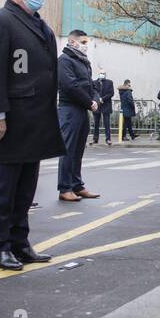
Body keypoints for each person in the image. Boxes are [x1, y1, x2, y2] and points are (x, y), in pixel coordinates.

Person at [0, 0, 66, 269]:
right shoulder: (0, 22)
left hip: (36, 121)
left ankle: (20, 242)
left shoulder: (39, 25)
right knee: (3, 189)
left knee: (25, 190)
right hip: (11, 121)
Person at [56, 29, 101, 201]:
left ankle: (77, 185)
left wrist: (95, 99)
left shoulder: (83, 62)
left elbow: (91, 85)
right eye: (83, 42)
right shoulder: (64, 60)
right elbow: (70, 86)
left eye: (86, 43)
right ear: (72, 42)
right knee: (68, 149)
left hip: (82, 109)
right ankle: (65, 188)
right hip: (69, 109)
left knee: (78, 150)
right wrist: (89, 102)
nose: (86, 46)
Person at [92, 72, 114, 145]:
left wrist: (103, 99)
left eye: (103, 73)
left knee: (107, 123)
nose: (102, 74)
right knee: (96, 123)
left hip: (106, 104)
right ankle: (95, 139)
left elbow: (111, 93)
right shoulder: (94, 82)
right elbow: (93, 92)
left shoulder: (109, 82)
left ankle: (108, 139)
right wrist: (98, 99)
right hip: (97, 104)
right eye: (101, 73)